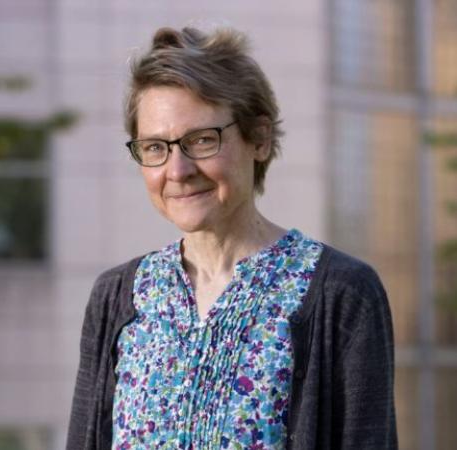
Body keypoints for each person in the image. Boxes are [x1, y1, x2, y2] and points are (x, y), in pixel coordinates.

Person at [66, 26, 397, 450]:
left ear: (258, 138)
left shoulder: (342, 294)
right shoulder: (117, 297)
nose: (177, 170)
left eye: (202, 140)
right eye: (154, 148)